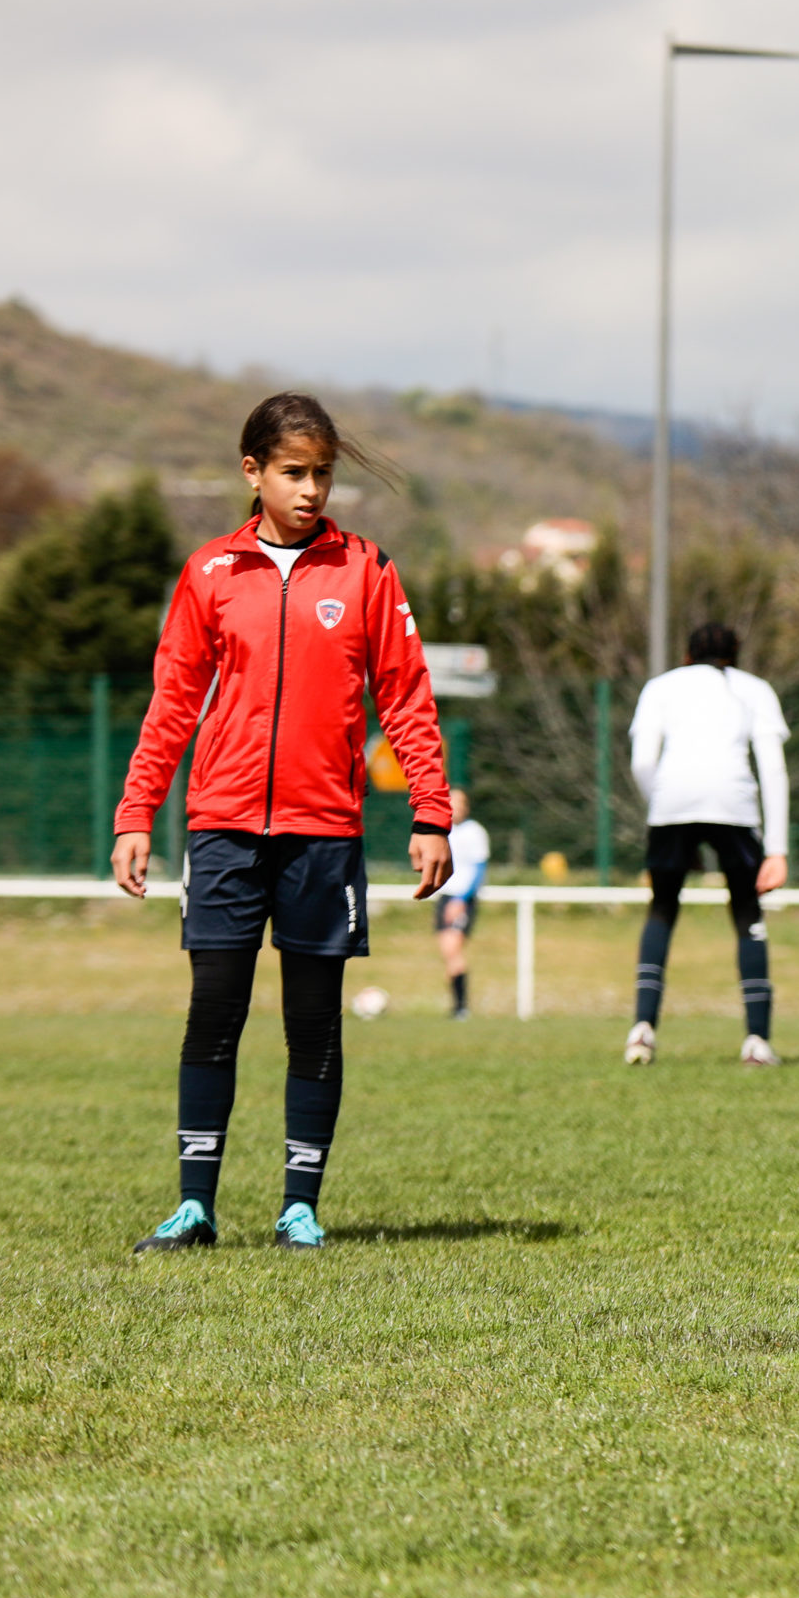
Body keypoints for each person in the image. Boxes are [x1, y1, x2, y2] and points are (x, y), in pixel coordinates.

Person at [113, 392, 452, 1255]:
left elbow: (406, 698)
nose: (310, 490)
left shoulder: (366, 570)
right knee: (213, 1013)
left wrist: (430, 810)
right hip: (223, 827)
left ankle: (300, 1206)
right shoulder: (210, 573)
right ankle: (195, 1206)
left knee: (315, 1023)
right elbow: (173, 702)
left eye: (322, 474)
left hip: (324, 833)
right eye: (294, 472)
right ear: (252, 471)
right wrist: (136, 811)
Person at [623, 621, 790, 1067]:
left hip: (671, 803)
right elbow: (773, 769)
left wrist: (661, 807)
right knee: (747, 913)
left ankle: (642, 1030)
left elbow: (642, 763)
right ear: (736, 656)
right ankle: (757, 1040)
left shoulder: (660, 687)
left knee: (662, 909)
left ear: (686, 655)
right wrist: (777, 850)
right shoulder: (754, 689)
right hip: (734, 805)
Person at [434, 787, 489, 1018]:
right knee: (447, 953)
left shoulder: (474, 831)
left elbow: (479, 870)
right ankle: (456, 1006)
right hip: (444, 897)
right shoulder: (441, 831)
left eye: (460, 802)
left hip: (461, 899)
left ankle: (461, 1007)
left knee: (452, 950)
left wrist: (461, 900)